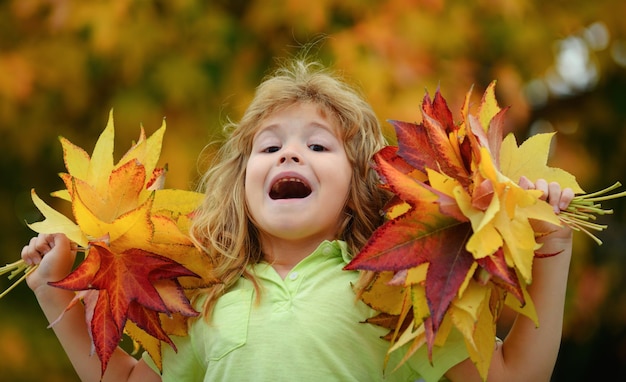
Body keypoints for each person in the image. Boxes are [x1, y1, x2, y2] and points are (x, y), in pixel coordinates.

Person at [21, 58, 575, 382]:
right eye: (269, 147)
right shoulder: (208, 297)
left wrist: (551, 249)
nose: (289, 155)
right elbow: (126, 376)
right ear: (240, 186)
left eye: (317, 145)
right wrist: (61, 301)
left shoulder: (394, 287)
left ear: (360, 184)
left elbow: (513, 376)